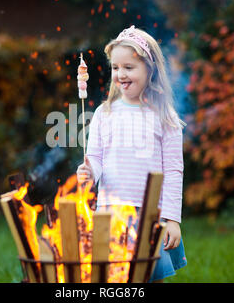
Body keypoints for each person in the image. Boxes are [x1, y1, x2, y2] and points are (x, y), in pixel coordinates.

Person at [77, 25, 187, 282]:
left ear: (150, 70)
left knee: (150, 275)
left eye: (129, 67)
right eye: (116, 68)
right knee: (114, 279)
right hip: (111, 212)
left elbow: (173, 171)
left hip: (150, 214)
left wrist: (172, 219)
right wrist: (89, 171)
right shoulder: (105, 114)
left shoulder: (164, 116)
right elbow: (96, 159)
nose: (120, 74)